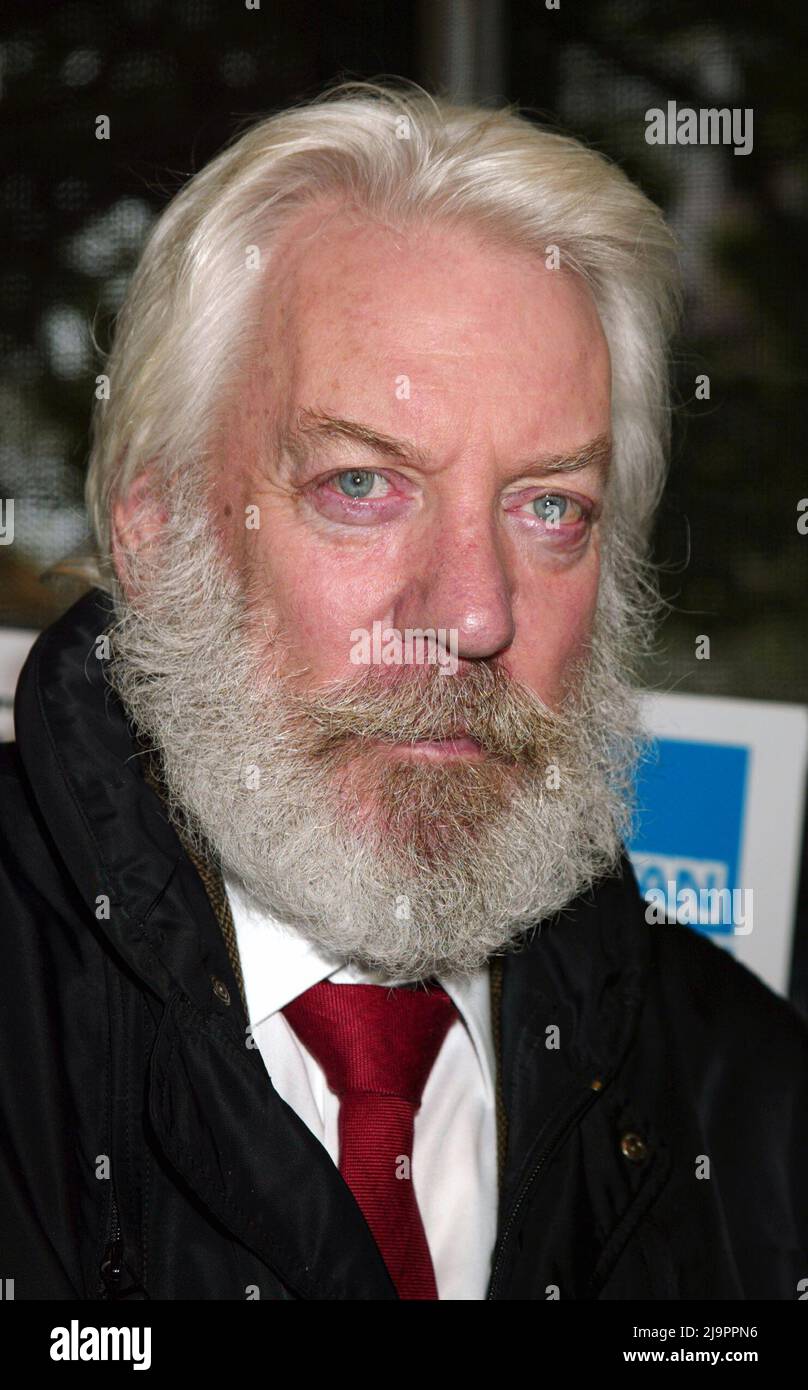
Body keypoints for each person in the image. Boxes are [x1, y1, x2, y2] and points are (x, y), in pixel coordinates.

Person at [1, 80, 806, 1302]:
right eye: (362, 486)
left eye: (550, 508)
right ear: (158, 536)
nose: (473, 615)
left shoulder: (748, 1104)